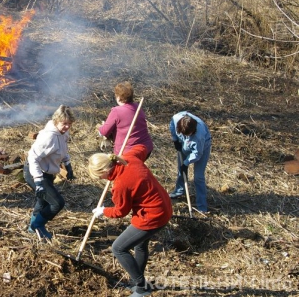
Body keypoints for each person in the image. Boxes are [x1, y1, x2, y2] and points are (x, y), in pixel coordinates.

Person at [88, 145, 172, 297]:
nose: (102, 179)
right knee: (140, 245)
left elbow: (121, 211)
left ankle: (142, 288)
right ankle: (137, 281)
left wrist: (103, 211)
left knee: (118, 248)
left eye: (100, 177)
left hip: (152, 216)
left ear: (104, 171)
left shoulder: (121, 184)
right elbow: (141, 147)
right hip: (163, 207)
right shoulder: (129, 158)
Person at [24, 105, 75, 240]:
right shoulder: (48, 137)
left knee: (43, 202)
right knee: (57, 203)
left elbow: (62, 150)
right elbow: (32, 157)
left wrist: (68, 165)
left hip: (47, 172)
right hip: (34, 172)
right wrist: (38, 181)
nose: (67, 127)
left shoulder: (63, 133)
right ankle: (37, 225)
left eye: (69, 124)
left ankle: (32, 227)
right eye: (64, 124)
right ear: (56, 121)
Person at [169, 111, 212, 213]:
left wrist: (186, 163)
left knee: (198, 177)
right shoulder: (176, 118)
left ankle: (202, 206)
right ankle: (179, 191)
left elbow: (197, 154)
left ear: (193, 131)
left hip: (203, 147)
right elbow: (172, 125)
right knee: (181, 170)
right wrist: (175, 139)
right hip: (183, 144)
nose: (186, 136)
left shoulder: (199, 136)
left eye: (188, 134)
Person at [97, 81, 153, 158]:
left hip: (128, 153)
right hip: (146, 149)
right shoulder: (137, 107)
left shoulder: (116, 111)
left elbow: (104, 131)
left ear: (119, 98)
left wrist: (99, 128)